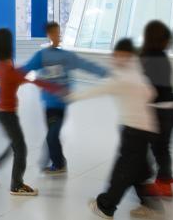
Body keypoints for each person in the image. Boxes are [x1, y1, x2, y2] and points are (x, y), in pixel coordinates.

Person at [67, 38, 160, 219]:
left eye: (119, 54)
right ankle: (152, 206)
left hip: (134, 130)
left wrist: (73, 96)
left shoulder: (122, 78)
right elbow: (151, 93)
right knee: (140, 171)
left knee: (123, 171)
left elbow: (99, 90)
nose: (116, 58)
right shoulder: (137, 72)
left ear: (127, 55)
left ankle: (106, 206)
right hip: (147, 129)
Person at [21, 21, 109, 175]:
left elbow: (85, 64)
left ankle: (59, 163)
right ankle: (55, 161)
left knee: (52, 134)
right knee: (52, 134)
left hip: (61, 103)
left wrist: (105, 72)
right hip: (49, 104)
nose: (58, 36)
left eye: (59, 32)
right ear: (49, 35)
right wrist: (8, 74)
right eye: (54, 33)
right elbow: (24, 69)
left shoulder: (66, 56)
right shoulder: (41, 56)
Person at [0, 28, 62, 196]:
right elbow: (32, 81)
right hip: (8, 115)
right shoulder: (9, 70)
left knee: (14, 145)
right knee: (21, 149)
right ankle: (16, 185)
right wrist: (54, 87)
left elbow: (18, 76)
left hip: (2, 113)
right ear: (8, 46)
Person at [139, 20, 173, 198]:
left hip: (158, 110)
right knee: (162, 148)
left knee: (150, 147)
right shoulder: (162, 57)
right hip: (171, 109)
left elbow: (147, 88)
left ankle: (161, 182)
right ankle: (164, 181)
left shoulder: (147, 58)